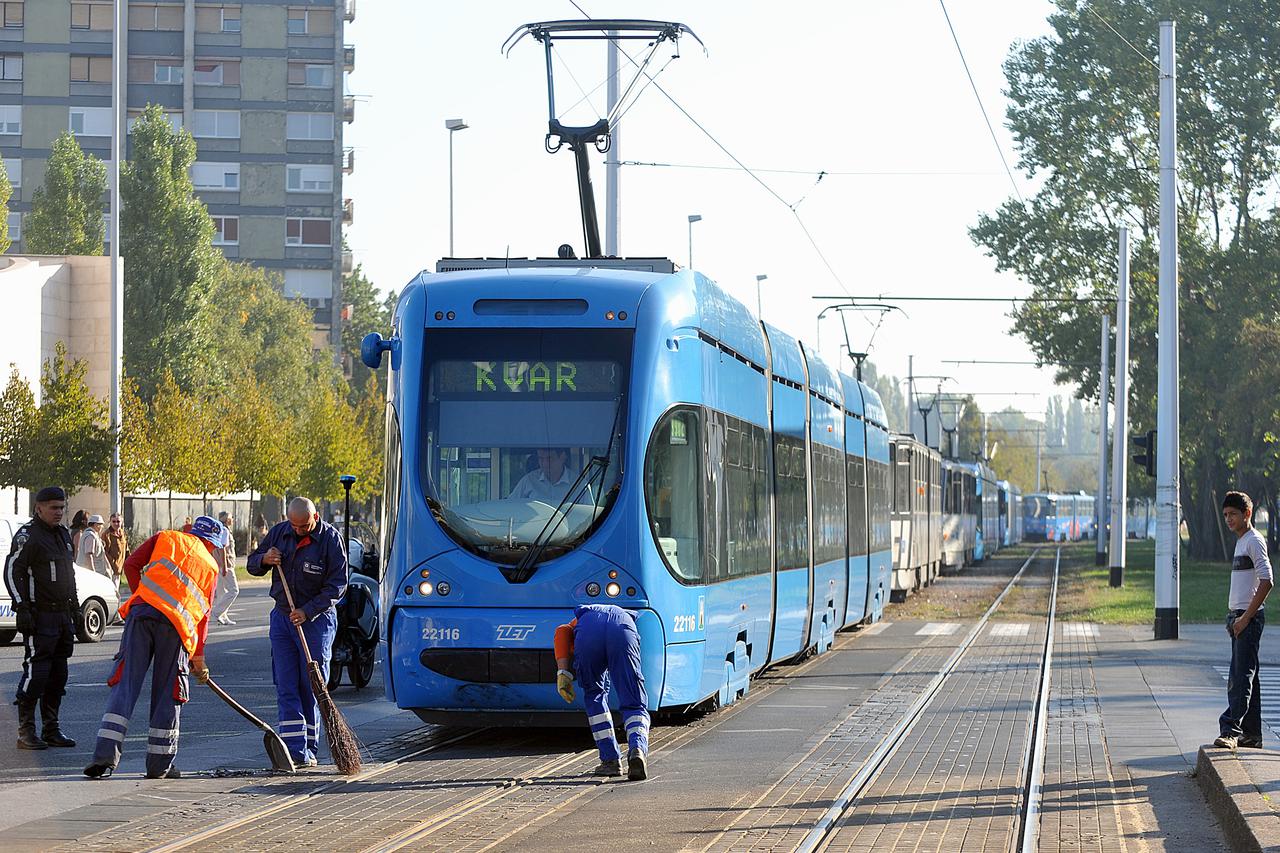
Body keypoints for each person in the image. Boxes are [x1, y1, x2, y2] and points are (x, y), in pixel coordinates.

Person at [84, 515, 227, 780]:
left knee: (125, 684)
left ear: (191, 531)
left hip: (141, 615)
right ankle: (160, 765)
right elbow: (204, 617)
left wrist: (144, 596)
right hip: (175, 628)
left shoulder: (166, 538)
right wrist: (199, 657)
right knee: (168, 692)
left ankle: (104, 757)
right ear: (214, 544)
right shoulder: (210, 567)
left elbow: (131, 564)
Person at [247, 497, 348, 767]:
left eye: (303, 526)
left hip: (315, 621)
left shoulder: (330, 540)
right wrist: (265, 559)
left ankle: (310, 747)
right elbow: (252, 563)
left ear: (315, 517)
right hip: (283, 617)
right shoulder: (280, 532)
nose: (298, 530)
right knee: (286, 683)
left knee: (311, 685)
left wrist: (308, 610)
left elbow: (337, 585)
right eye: (294, 525)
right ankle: (294, 750)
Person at [3, 486, 78, 750]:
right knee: (37, 672)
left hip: (62, 615)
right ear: (39, 508)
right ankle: (25, 732)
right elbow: (13, 570)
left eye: (61, 507)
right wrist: (22, 606)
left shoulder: (63, 535)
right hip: (40, 614)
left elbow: (69, 573)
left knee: (59, 674)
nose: (58, 512)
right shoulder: (28, 536)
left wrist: (76, 606)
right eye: (53, 507)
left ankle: (51, 729)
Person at [553, 603, 650, 780]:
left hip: (589, 633)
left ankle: (610, 761)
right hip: (623, 630)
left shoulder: (581, 619)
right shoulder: (625, 616)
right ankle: (637, 749)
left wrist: (563, 672)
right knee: (634, 701)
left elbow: (562, 631)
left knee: (594, 695)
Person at [1215, 491, 1273, 750]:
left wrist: (1245, 618)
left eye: (1233, 514)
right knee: (1251, 676)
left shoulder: (1253, 540)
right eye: (1225, 515)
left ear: (1247, 513)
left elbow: (1267, 580)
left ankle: (1230, 730)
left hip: (1247, 619)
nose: (1228, 519)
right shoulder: (1241, 541)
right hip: (1238, 617)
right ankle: (1252, 734)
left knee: (1240, 677)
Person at [509, 447, 590, 505]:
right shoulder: (529, 481)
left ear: (562, 457)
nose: (544, 464)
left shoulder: (580, 485)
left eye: (549, 459)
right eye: (541, 459)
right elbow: (510, 506)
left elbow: (590, 516)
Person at [210, 511, 240, 625]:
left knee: (222, 592)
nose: (232, 519)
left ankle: (223, 616)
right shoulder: (225, 530)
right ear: (227, 520)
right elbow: (222, 548)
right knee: (234, 590)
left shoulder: (218, 530)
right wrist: (225, 566)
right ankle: (217, 612)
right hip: (225, 564)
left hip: (218, 564)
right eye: (231, 518)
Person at [104, 513, 128, 588]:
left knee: (116, 589)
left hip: (120, 568)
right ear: (110, 522)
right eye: (113, 521)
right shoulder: (106, 534)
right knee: (112, 590)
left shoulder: (122, 533)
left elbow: (126, 548)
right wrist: (112, 564)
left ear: (122, 522)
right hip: (111, 569)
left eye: (118, 521)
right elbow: (104, 552)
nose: (116, 523)